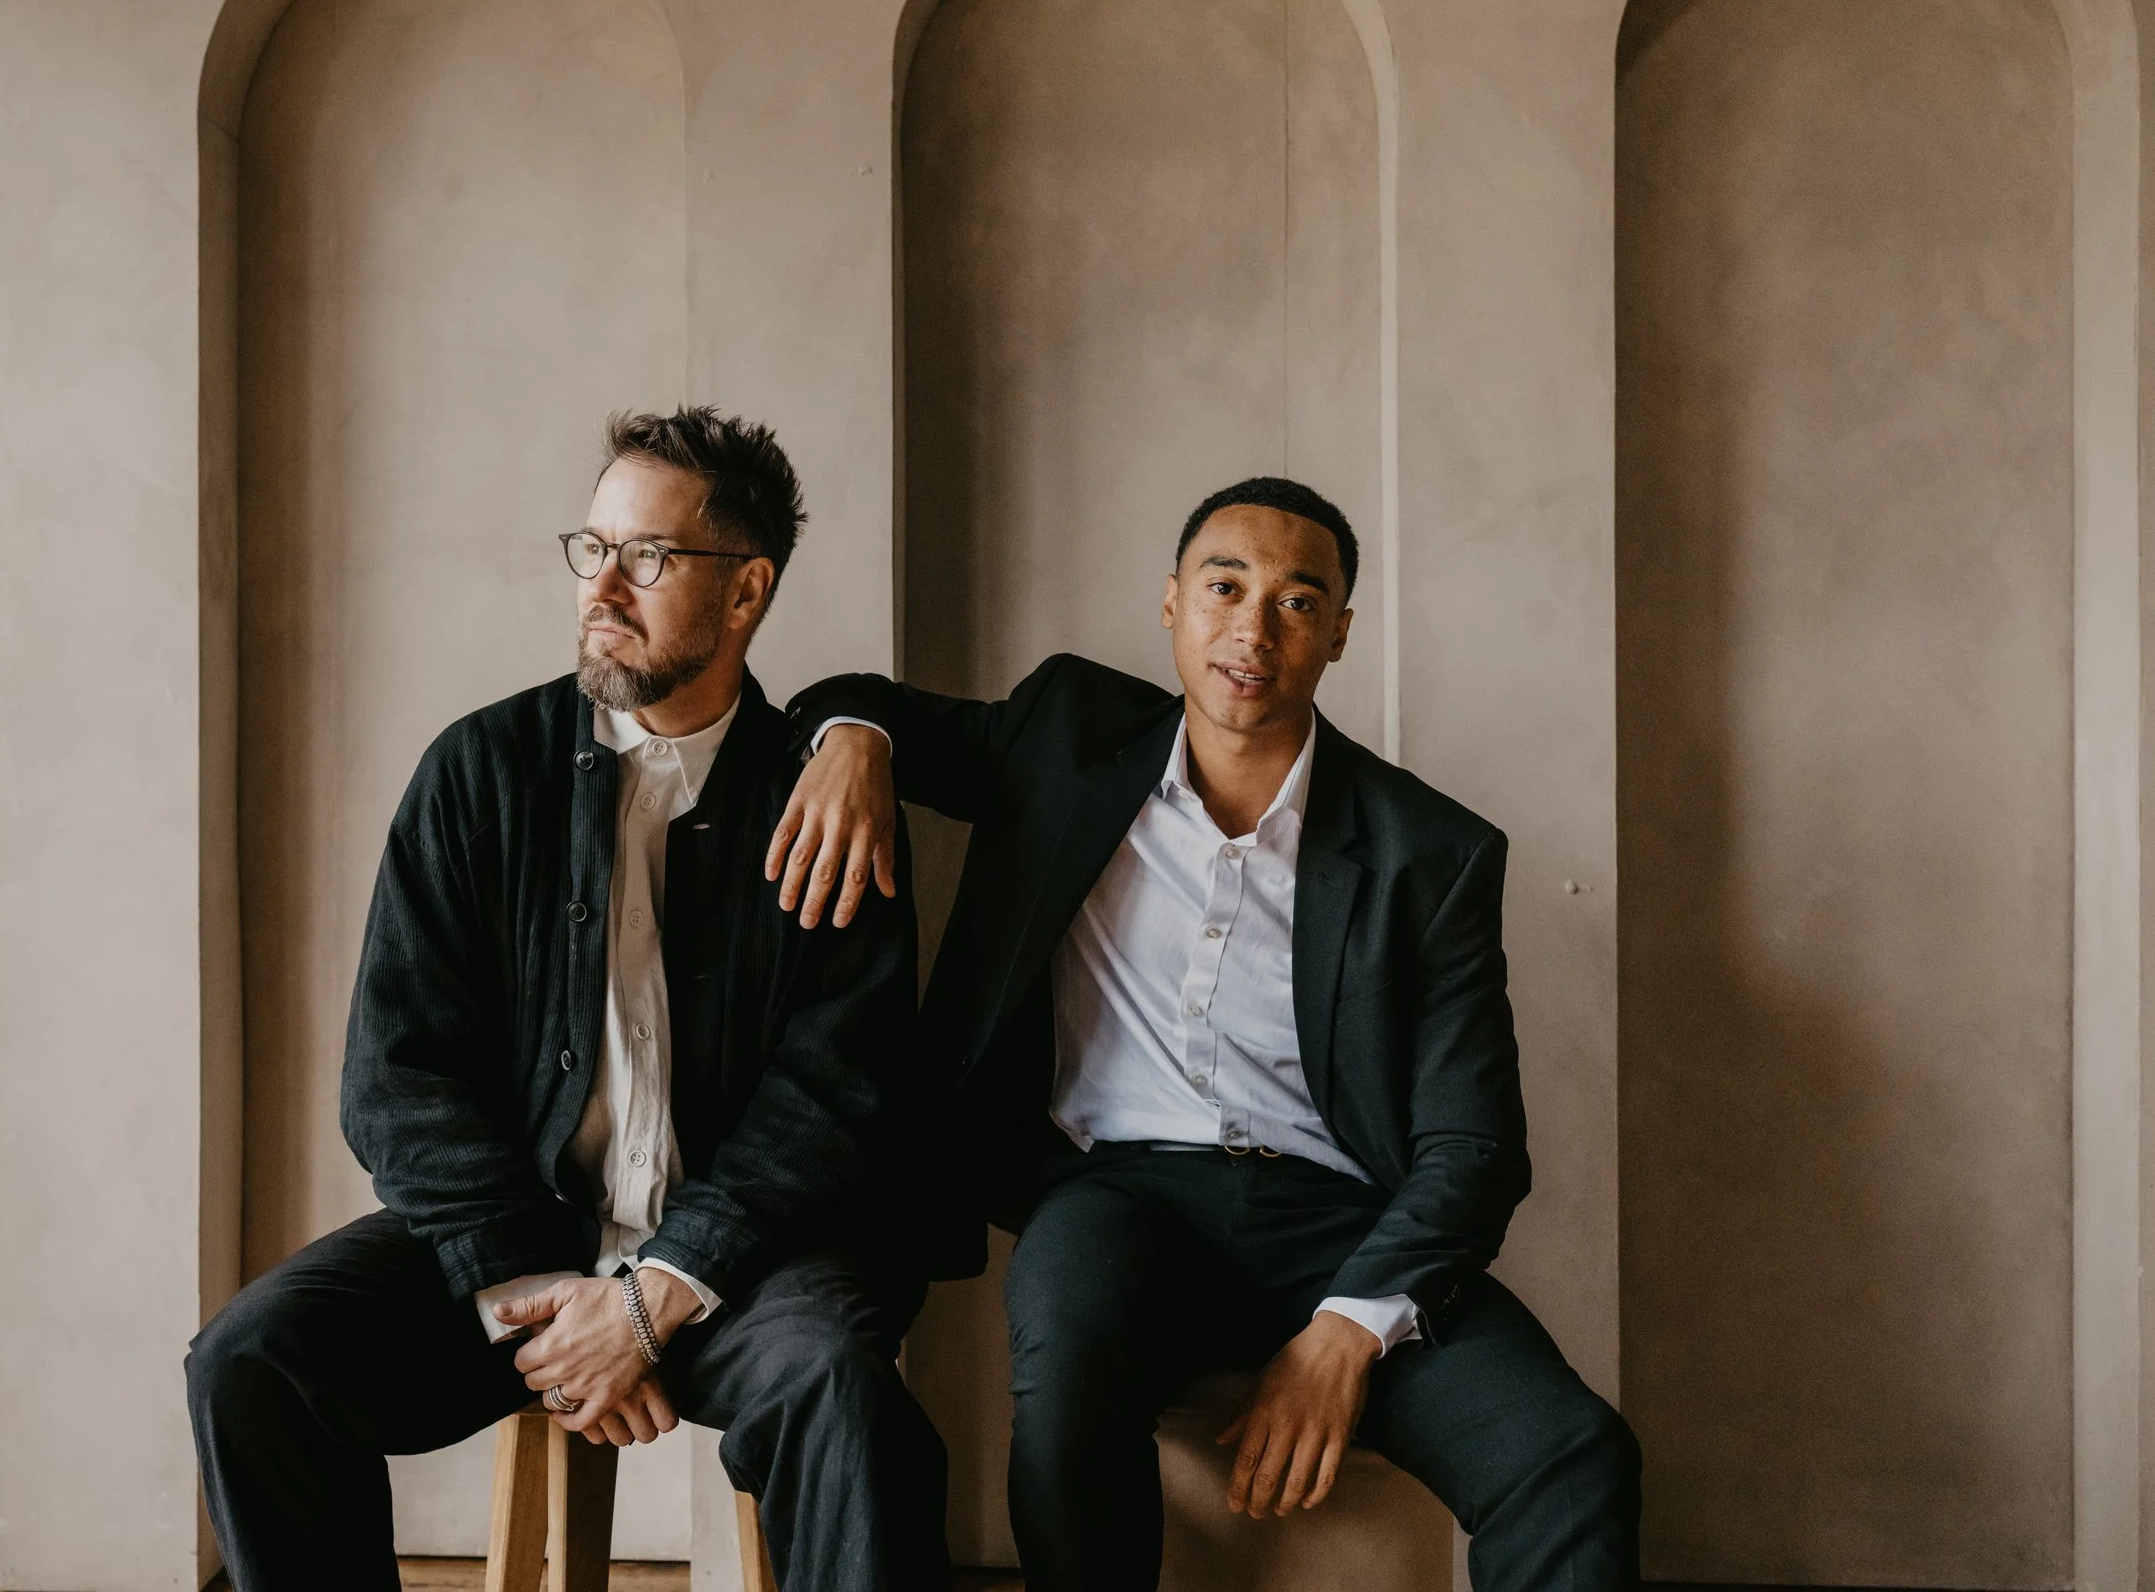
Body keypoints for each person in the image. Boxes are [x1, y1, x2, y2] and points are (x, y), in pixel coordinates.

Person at [768, 477, 1641, 1591]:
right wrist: (858, 739)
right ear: (1172, 603)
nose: (1253, 626)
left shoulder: (1427, 851)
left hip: (1343, 1219)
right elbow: (843, 694)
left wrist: (1345, 1331)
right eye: (1224, 586)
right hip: (1114, 1196)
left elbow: (1474, 1145)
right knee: (1067, 1359)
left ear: (1337, 633)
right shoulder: (1066, 732)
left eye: (1296, 601)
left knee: (1570, 1452)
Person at [188, 407, 950, 1592]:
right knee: (251, 1358)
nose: (603, 583)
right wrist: (544, 1296)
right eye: (591, 548)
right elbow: (395, 1077)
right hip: (519, 1238)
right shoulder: (476, 771)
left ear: (745, 592)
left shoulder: (823, 800)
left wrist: (653, 1295)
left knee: (847, 1399)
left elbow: (835, 1094)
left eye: (647, 556)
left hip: (748, 1266)